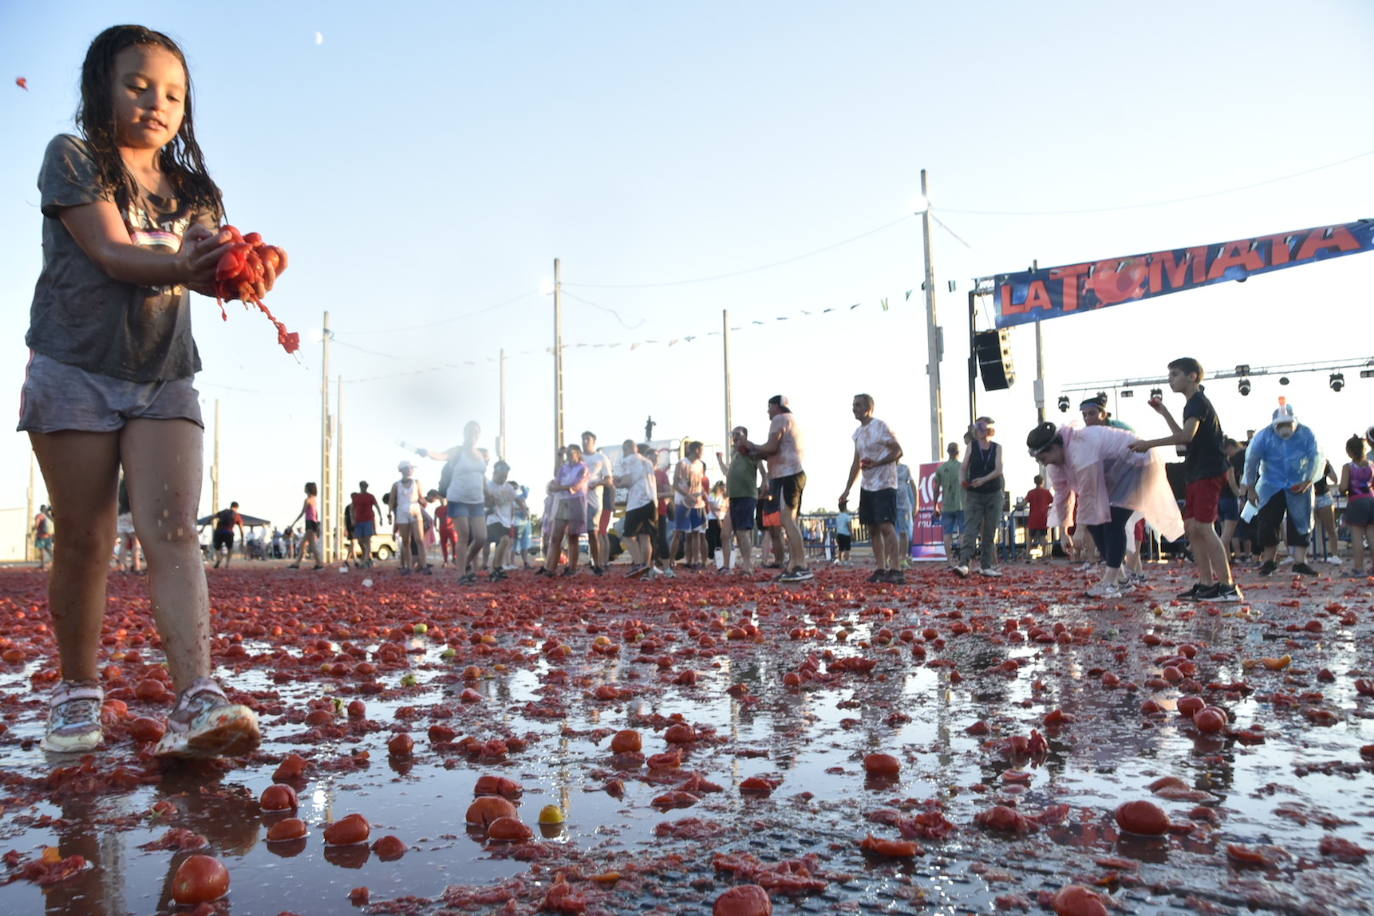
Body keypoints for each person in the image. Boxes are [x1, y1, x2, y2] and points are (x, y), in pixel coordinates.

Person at [18, 26, 266, 757]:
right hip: (74, 368)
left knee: (174, 529)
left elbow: (213, 263)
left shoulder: (193, 189)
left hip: (163, 372)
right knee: (87, 538)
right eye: (138, 85)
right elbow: (110, 252)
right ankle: (77, 692)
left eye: (174, 93)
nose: (157, 103)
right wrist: (190, 267)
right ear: (102, 86)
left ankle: (197, 695)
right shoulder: (74, 157)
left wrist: (249, 270)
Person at [1130, 358, 1242, 602]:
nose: (1171, 378)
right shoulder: (1193, 404)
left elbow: (1186, 437)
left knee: (1203, 527)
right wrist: (1164, 412)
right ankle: (1206, 583)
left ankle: (1227, 586)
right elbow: (1182, 438)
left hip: (1207, 470)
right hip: (1196, 471)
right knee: (1192, 528)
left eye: (1175, 373)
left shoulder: (1197, 403)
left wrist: (1148, 444)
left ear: (1192, 376)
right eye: (1170, 374)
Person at [1028, 421, 1184, 597]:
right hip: (1113, 474)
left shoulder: (1080, 448)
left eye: (1043, 458)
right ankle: (1122, 579)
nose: (1044, 463)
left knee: (1113, 520)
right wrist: (1064, 531)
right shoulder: (1054, 466)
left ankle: (1110, 582)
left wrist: (1079, 529)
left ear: (1054, 448)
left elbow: (1089, 493)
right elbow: (1062, 496)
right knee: (1095, 524)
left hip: (1137, 463)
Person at [1242, 404, 1322, 577]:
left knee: (1301, 521)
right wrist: (1250, 488)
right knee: (1268, 522)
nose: (1284, 429)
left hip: (1299, 484)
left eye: (1288, 424)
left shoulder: (1306, 434)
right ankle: (1269, 561)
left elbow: (1316, 457)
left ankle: (1300, 562)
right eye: (1280, 425)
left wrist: (1309, 480)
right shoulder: (1262, 437)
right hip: (1271, 485)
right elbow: (1251, 462)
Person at [742, 395, 811, 582]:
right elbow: (776, 452)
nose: (767, 411)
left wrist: (751, 446)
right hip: (792, 473)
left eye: (769, 407)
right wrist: (756, 452)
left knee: (788, 520)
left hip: (787, 476)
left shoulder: (779, 420)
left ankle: (801, 565)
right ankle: (793, 564)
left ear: (777, 407)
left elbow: (771, 447)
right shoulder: (792, 421)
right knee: (789, 521)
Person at [839, 393, 904, 583]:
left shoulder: (880, 426)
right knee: (872, 528)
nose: (854, 408)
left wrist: (877, 463)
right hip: (867, 486)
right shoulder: (857, 434)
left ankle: (896, 569)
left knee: (886, 526)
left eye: (858, 405)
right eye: (853, 405)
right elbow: (856, 462)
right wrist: (847, 489)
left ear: (868, 408)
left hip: (885, 484)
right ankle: (880, 568)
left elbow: (898, 450)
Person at [424, 421, 488, 583]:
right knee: (464, 534)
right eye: (469, 432)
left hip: (477, 500)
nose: (472, 435)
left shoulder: (481, 455)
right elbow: (440, 456)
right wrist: (426, 452)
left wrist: (488, 493)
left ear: (479, 435)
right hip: (458, 498)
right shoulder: (458, 451)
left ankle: (464, 563)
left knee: (480, 537)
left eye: (475, 432)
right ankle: (461, 575)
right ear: (464, 433)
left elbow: (482, 477)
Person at [953, 418, 1005, 577]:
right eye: (978, 426)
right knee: (971, 528)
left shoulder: (997, 448)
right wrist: (962, 479)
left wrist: (983, 480)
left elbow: (998, 469)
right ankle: (964, 564)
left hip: (993, 493)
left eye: (983, 426)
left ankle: (986, 565)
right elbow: (963, 467)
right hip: (974, 494)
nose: (980, 429)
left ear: (989, 429)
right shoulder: (972, 446)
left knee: (990, 529)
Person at [716, 427, 764, 575]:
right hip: (733, 497)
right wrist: (720, 460)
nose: (734, 437)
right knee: (725, 534)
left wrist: (764, 485)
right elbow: (726, 473)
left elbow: (763, 470)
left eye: (738, 434)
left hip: (746, 496)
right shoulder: (735, 455)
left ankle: (747, 566)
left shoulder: (751, 452)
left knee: (743, 532)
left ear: (745, 437)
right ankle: (726, 566)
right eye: (733, 435)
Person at [543, 444, 589, 576]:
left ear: (578, 453)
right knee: (556, 536)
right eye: (567, 453)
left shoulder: (583, 467)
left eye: (572, 452)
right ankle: (551, 567)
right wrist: (559, 456)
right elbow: (556, 479)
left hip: (576, 501)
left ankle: (572, 568)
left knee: (573, 537)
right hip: (563, 501)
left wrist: (560, 487)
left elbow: (576, 485)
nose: (569, 455)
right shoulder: (564, 467)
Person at [617, 438, 659, 577]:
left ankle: (639, 564)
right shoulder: (648, 462)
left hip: (637, 502)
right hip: (651, 502)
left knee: (628, 536)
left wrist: (617, 483)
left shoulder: (629, 460)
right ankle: (646, 568)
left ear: (626, 449)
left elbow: (629, 479)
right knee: (645, 536)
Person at [580, 431, 615, 575]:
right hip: (577, 499)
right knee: (572, 534)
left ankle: (598, 563)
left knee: (594, 533)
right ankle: (572, 565)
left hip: (594, 500)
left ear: (594, 441)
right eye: (583, 439)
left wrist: (596, 483)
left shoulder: (601, 458)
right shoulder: (578, 457)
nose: (585, 441)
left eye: (588, 439)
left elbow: (609, 480)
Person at [1339, 434, 1373, 577]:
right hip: (1371, 500)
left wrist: (1345, 491)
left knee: (1357, 538)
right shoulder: (1372, 465)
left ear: (1349, 452)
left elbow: (1342, 487)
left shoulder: (1348, 467)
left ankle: (1359, 569)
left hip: (1356, 501)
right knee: (1372, 537)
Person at [672, 441, 709, 569]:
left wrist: (704, 495)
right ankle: (671, 561)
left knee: (696, 533)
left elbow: (699, 483)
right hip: (683, 503)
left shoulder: (700, 465)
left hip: (698, 504)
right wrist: (688, 496)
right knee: (679, 533)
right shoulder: (682, 464)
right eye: (702, 450)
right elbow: (675, 485)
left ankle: (696, 561)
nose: (703, 452)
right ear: (696, 450)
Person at [388, 461, 428, 574]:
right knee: (406, 541)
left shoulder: (416, 482)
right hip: (402, 510)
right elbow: (392, 500)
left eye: (411, 468)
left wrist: (424, 502)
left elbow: (421, 497)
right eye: (408, 468)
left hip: (414, 508)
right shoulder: (396, 485)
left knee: (419, 539)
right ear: (402, 470)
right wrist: (390, 513)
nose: (410, 470)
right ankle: (409, 566)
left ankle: (424, 565)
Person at [486, 461, 522, 580]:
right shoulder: (488, 486)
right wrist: (489, 501)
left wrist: (523, 506)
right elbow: (486, 503)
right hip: (492, 518)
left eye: (505, 476)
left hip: (506, 520)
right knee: (505, 540)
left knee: (502, 543)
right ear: (495, 472)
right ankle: (496, 567)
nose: (503, 478)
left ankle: (496, 567)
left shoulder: (509, 487)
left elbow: (517, 498)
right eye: (501, 475)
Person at [931, 442, 964, 567]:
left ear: (947, 452)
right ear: (958, 452)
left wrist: (935, 505)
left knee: (947, 534)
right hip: (962, 504)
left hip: (947, 505)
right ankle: (963, 560)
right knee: (963, 533)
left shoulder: (940, 469)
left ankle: (949, 561)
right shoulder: (963, 467)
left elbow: (936, 489)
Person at [287, 482, 323, 570]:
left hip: (309, 523)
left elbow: (302, 513)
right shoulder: (314, 500)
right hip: (313, 523)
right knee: (307, 544)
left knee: (308, 544)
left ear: (308, 489)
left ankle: (318, 564)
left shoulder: (308, 500)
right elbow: (316, 514)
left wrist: (292, 524)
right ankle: (299, 563)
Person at [1312, 459, 1341, 563]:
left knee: (1331, 528)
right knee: (1305, 528)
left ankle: (1334, 555)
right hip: (1308, 496)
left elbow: (1335, 479)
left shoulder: (1322, 463)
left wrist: (1329, 466)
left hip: (1323, 496)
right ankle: (1303, 556)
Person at [350, 481, 380, 569]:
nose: (364, 487)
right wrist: (352, 519)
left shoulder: (370, 496)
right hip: (358, 521)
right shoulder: (357, 497)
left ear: (367, 487)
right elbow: (352, 508)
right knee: (359, 541)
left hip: (368, 520)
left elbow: (377, 506)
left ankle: (365, 560)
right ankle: (367, 557)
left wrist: (381, 517)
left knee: (367, 541)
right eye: (362, 486)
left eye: (365, 486)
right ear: (360, 486)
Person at [115, 478, 141, 573]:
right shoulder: (134, 483)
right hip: (132, 514)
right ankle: (136, 565)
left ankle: (122, 566)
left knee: (123, 542)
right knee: (135, 542)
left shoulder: (122, 484)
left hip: (121, 514)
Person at [1024, 476, 1052, 561]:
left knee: (1030, 537)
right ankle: (1044, 555)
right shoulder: (1047, 492)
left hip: (1033, 518)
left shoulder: (1031, 492)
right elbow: (1053, 501)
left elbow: (1024, 503)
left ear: (1034, 482)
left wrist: (1017, 506)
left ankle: (1028, 555)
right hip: (1043, 517)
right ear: (1042, 481)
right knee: (1043, 536)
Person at [894, 462, 915, 569]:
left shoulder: (905, 468)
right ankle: (892, 558)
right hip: (891, 504)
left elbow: (912, 484)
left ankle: (903, 558)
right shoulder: (886, 467)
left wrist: (916, 504)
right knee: (891, 532)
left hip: (903, 505)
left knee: (904, 532)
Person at [211, 500, 243, 569]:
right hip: (228, 532)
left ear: (230, 506)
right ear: (236, 508)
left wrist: (202, 528)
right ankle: (227, 564)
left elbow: (212, 517)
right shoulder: (236, 515)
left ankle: (219, 559)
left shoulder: (223, 512)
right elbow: (241, 527)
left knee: (217, 548)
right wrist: (242, 538)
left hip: (218, 532)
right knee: (230, 548)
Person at [33, 504, 54, 571]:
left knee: (41, 551)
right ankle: (53, 563)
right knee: (49, 550)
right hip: (49, 536)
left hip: (41, 536)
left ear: (40, 509)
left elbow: (36, 525)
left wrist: (32, 529)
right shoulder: (49, 516)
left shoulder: (39, 516)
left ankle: (43, 565)